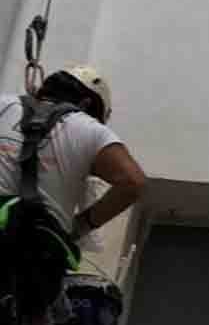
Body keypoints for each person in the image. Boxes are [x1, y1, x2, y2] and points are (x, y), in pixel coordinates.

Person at [0, 65, 145, 247]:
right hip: (32, 254)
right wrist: (80, 227)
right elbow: (133, 182)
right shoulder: (90, 129)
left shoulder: (4, 104)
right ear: (85, 104)